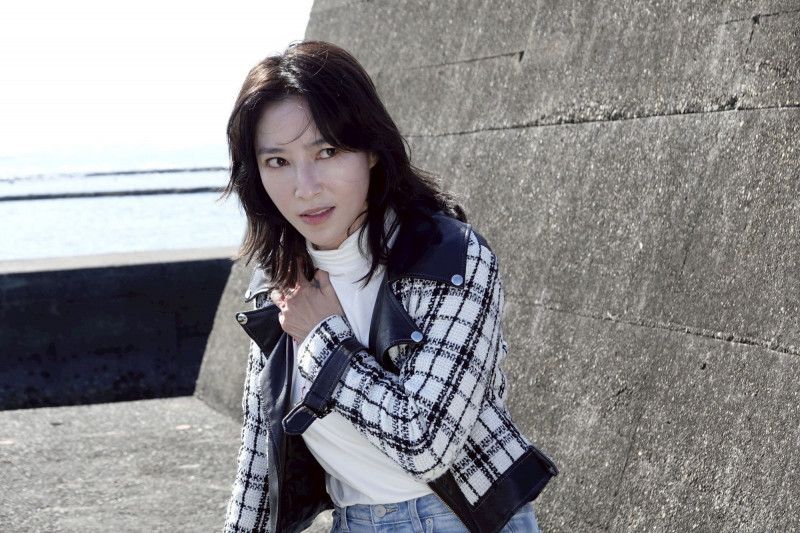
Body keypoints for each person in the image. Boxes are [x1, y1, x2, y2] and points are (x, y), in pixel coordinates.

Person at [222, 40, 558, 533]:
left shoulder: (450, 259)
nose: (305, 187)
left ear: (373, 151)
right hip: (353, 521)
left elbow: (426, 442)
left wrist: (322, 338)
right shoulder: (280, 283)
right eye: (278, 162)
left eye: (327, 152)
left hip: (458, 521)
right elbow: (257, 462)